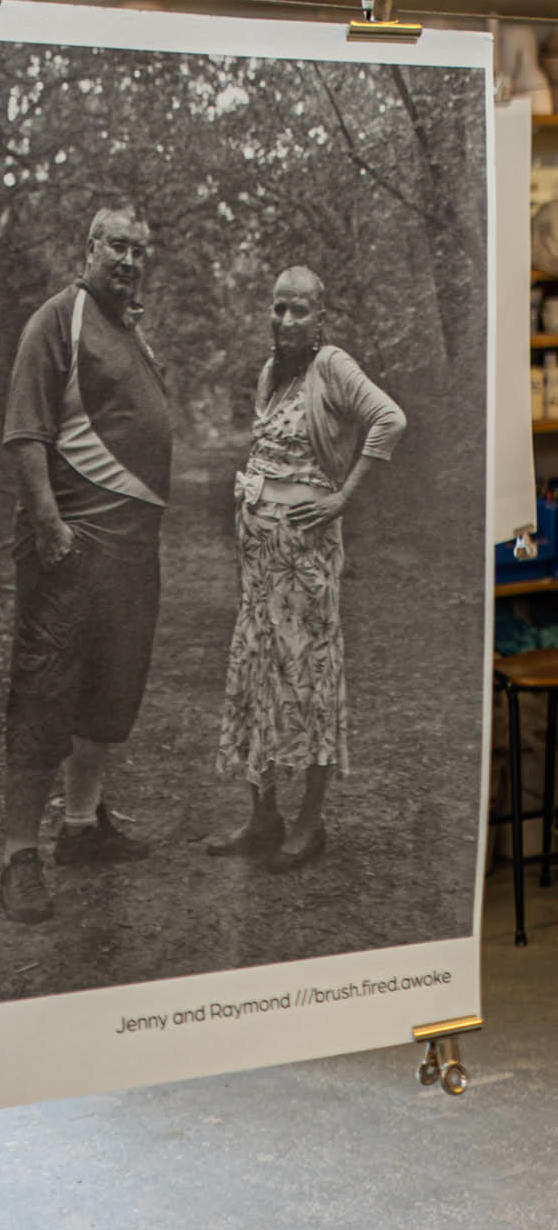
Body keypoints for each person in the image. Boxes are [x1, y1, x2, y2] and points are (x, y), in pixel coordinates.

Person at [0, 199, 171, 924]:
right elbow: (25, 430)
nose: (129, 260)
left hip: (130, 554)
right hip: (70, 547)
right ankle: (17, 858)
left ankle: (80, 826)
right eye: (117, 246)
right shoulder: (57, 319)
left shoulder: (131, 329)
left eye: (140, 250)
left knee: (108, 695)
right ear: (90, 246)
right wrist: (47, 523)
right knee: (44, 698)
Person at [210, 265, 405, 872]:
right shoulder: (270, 373)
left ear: (320, 316)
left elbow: (390, 418)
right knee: (258, 673)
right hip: (261, 562)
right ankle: (262, 813)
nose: (287, 320)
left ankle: (310, 821)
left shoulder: (333, 367)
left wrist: (343, 497)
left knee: (309, 677)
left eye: (300, 310)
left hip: (308, 562)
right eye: (279, 309)